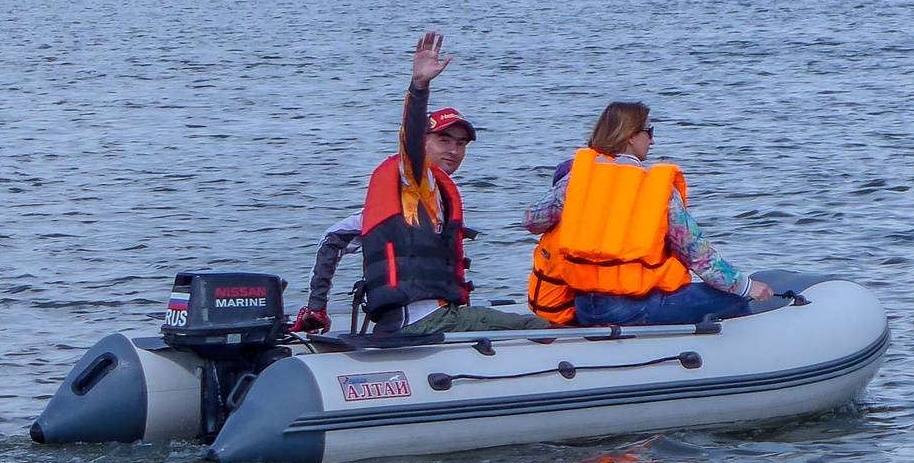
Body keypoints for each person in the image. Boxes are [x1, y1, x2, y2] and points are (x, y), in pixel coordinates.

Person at [291, 32, 548, 335]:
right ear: (424, 143)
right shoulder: (416, 178)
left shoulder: (401, 202)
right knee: (538, 327)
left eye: (461, 143)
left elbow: (332, 239)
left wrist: (317, 308)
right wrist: (419, 86)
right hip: (427, 321)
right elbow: (411, 136)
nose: (454, 150)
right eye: (444, 140)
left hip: (402, 323)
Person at [523, 101, 773, 326]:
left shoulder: (575, 183)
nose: (652, 141)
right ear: (631, 136)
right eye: (649, 131)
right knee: (734, 300)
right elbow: (697, 255)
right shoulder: (657, 190)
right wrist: (745, 286)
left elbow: (532, 221)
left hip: (586, 307)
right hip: (630, 307)